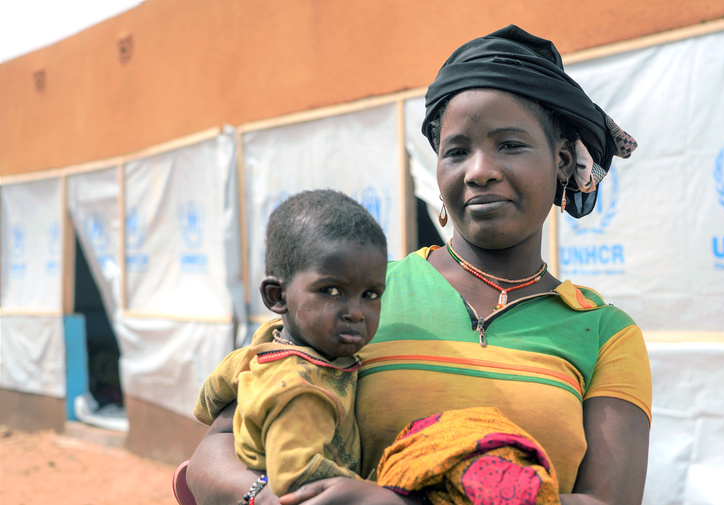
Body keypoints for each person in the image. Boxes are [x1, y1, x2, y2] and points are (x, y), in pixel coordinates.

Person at [186, 25, 651, 505]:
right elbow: (211, 458)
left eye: (510, 145)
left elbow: (609, 500)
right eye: (457, 151)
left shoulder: (604, 334)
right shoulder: (360, 293)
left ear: (562, 161)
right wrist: (275, 498)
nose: (479, 170)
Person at [192, 189, 388, 499]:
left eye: (370, 294)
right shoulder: (300, 390)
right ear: (277, 296)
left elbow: (207, 400)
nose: (356, 312)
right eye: (331, 291)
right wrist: (377, 493)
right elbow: (296, 477)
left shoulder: (264, 343)